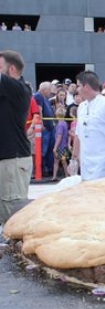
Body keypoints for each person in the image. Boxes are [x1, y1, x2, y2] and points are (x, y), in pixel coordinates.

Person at [0, 50, 32, 226]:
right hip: (7, 160)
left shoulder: (19, 88)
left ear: (11, 69)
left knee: (12, 216)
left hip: (13, 161)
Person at [51, 107, 70, 181]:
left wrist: (55, 147)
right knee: (63, 161)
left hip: (60, 146)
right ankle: (66, 175)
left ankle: (55, 176)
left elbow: (59, 136)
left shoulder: (59, 125)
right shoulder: (64, 123)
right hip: (64, 145)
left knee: (57, 161)